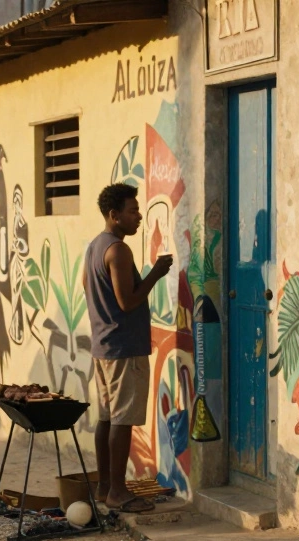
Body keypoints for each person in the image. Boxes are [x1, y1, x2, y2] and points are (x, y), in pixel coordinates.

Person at [84, 183, 172, 514]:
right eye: (133, 211)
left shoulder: (95, 247)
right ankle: (118, 492)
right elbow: (128, 301)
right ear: (114, 215)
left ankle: (106, 486)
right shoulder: (118, 250)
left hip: (103, 345)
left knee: (107, 418)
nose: (138, 217)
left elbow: (87, 287)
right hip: (124, 348)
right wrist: (155, 274)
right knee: (121, 420)